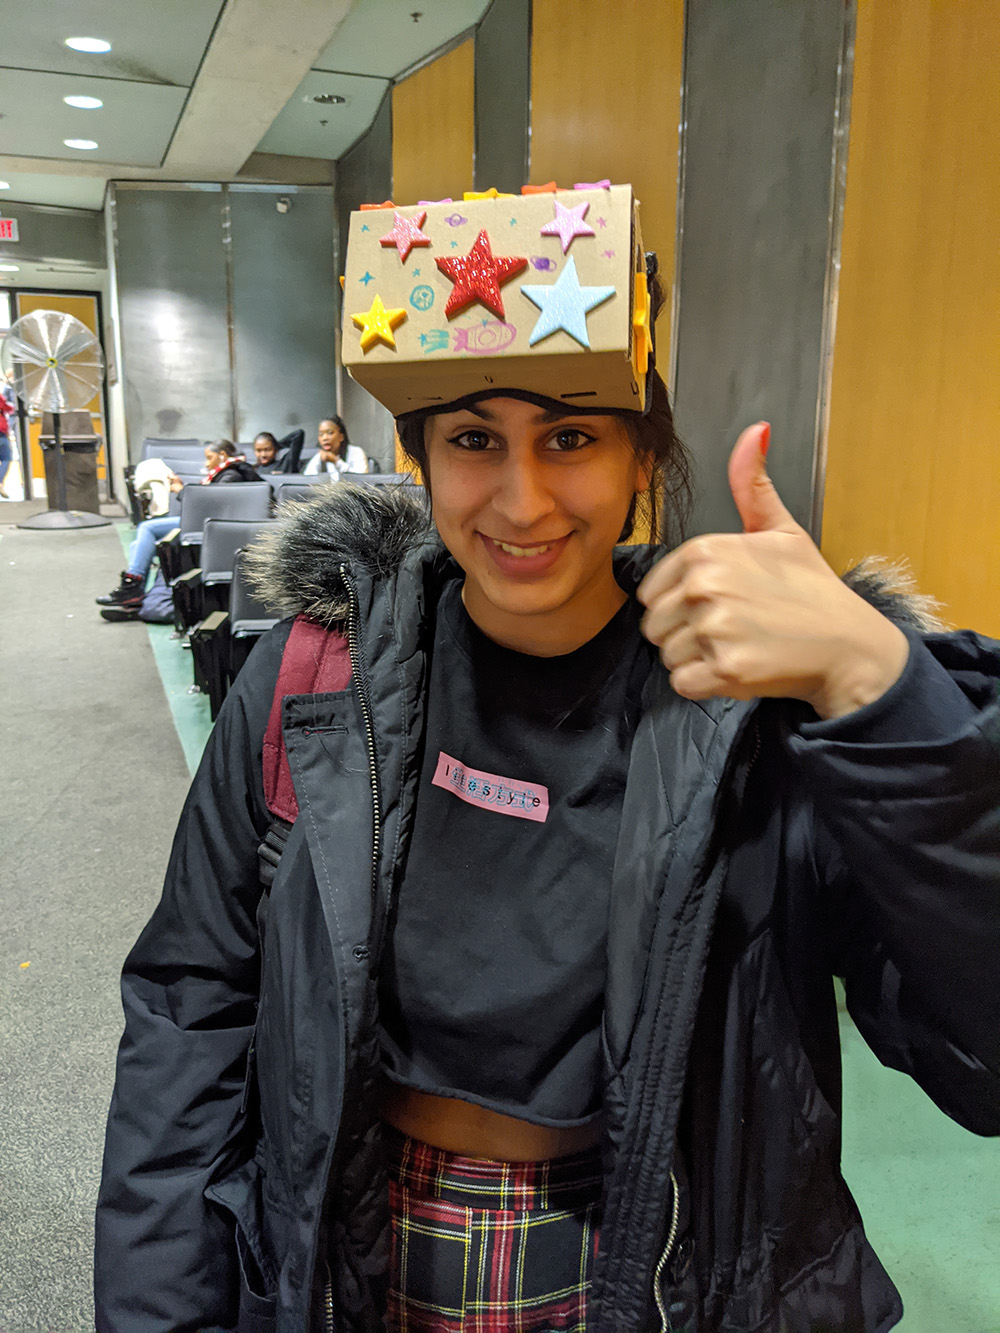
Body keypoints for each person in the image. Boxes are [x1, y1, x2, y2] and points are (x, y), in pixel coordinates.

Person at [95, 188, 1000, 1333]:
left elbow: (981, 1062)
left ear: (638, 458)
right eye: (474, 440)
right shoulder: (310, 682)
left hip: (662, 1272)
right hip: (353, 1255)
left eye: (569, 437)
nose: (521, 501)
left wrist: (883, 693)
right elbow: (191, 1012)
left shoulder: (760, 712)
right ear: (418, 457)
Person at [97, 440, 262, 620]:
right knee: (137, 544)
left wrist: (181, 490)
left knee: (147, 528)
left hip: (209, 526)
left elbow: (210, 503)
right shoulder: (225, 473)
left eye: (209, 458)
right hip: (204, 523)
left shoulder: (231, 475)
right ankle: (136, 597)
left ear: (222, 455)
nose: (206, 464)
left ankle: (132, 588)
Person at [302, 413, 369, 476]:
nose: (324, 438)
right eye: (321, 435)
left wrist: (336, 461)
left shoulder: (356, 452)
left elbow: (363, 480)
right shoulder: (320, 456)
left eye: (330, 433)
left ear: (341, 437)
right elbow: (308, 479)